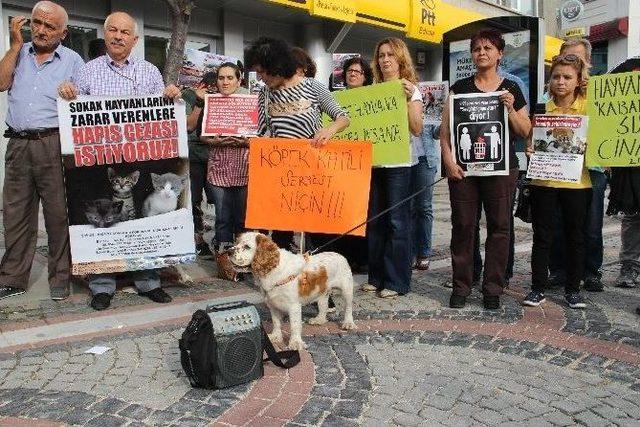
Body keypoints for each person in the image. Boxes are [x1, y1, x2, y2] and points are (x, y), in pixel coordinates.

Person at [57, 11, 182, 310]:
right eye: (112, 30)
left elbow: (166, 111)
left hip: (141, 160)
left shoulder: (150, 72)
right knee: (103, 220)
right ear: (105, 33)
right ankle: (102, 285)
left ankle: (148, 281)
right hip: (101, 163)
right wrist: (67, 93)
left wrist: (173, 95)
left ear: (134, 39)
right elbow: (74, 112)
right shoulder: (87, 72)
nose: (117, 36)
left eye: (125, 32)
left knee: (141, 217)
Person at [440, 28, 531, 310]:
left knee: (500, 228)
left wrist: (512, 109)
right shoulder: (459, 88)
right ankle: (462, 286)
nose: (482, 53)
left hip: (502, 169)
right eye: (477, 48)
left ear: (499, 54)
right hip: (464, 171)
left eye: (488, 48)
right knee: (464, 226)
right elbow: (445, 134)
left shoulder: (512, 88)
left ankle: (493, 288)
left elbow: (525, 130)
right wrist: (449, 162)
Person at [0, 1, 84, 301]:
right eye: (37, 22)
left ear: (62, 32)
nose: (41, 30)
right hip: (18, 144)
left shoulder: (73, 60)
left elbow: (87, 105)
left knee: (58, 214)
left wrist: (74, 95)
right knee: (15, 213)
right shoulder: (18, 53)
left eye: (50, 26)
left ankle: (60, 277)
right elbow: (1, 82)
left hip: (55, 143)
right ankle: (12, 277)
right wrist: (13, 46)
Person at [244, 37, 349, 251]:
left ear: (278, 67)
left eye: (264, 72)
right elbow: (263, 130)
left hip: (311, 170)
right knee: (281, 226)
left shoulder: (313, 88)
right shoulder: (264, 94)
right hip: (280, 172)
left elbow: (343, 118)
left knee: (315, 227)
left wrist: (329, 130)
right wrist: (255, 142)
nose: (261, 78)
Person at [523, 53, 591, 309]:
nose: (560, 82)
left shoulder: (588, 108)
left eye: (567, 77)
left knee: (576, 236)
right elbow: (531, 140)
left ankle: (573, 289)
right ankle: (537, 288)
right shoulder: (542, 109)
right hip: (544, 183)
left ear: (577, 81)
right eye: (556, 77)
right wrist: (530, 150)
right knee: (542, 236)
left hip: (578, 184)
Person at [360, 37, 423, 298]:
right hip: (374, 163)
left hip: (399, 164)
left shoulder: (411, 89)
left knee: (397, 222)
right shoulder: (372, 89)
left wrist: (408, 101)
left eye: (390, 55)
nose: (385, 60)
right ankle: (376, 277)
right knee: (375, 221)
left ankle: (397, 281)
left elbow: (417, 129)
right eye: (381, 55)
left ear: (400, 59)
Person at [547, 38, 607, 292]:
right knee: (559, 223)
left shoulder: (601, 93)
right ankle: (559, 270)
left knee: (591, 225)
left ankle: (591, 271)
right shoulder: (550, 92)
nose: (572, 65)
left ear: (587, 64)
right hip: (558, 169)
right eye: (568, 58)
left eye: (578, 60)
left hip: (592, 169)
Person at [199, 63, 249, 255]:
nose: (225, 82)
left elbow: (260, 135)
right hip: (218, 170)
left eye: (230, 78)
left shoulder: (250, 103)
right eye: (221, 78)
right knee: (222, 218)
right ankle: (225, 260)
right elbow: (201, 136)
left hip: (244, 168)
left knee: (243, 219)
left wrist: (247, 142)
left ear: (239, 80)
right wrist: (214, 141)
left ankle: (243, 258)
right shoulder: (210, 103)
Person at [183, 71, 217, 258]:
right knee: (194, 199)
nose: (212, 91)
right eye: (208, 88)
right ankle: (198, 239)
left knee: (218, 199)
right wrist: (200, 101)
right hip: (194, 154)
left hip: (215, 155)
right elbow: (189, 125)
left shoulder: (224, 98)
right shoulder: (188, 96)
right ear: (202, 85)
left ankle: (220, 239)